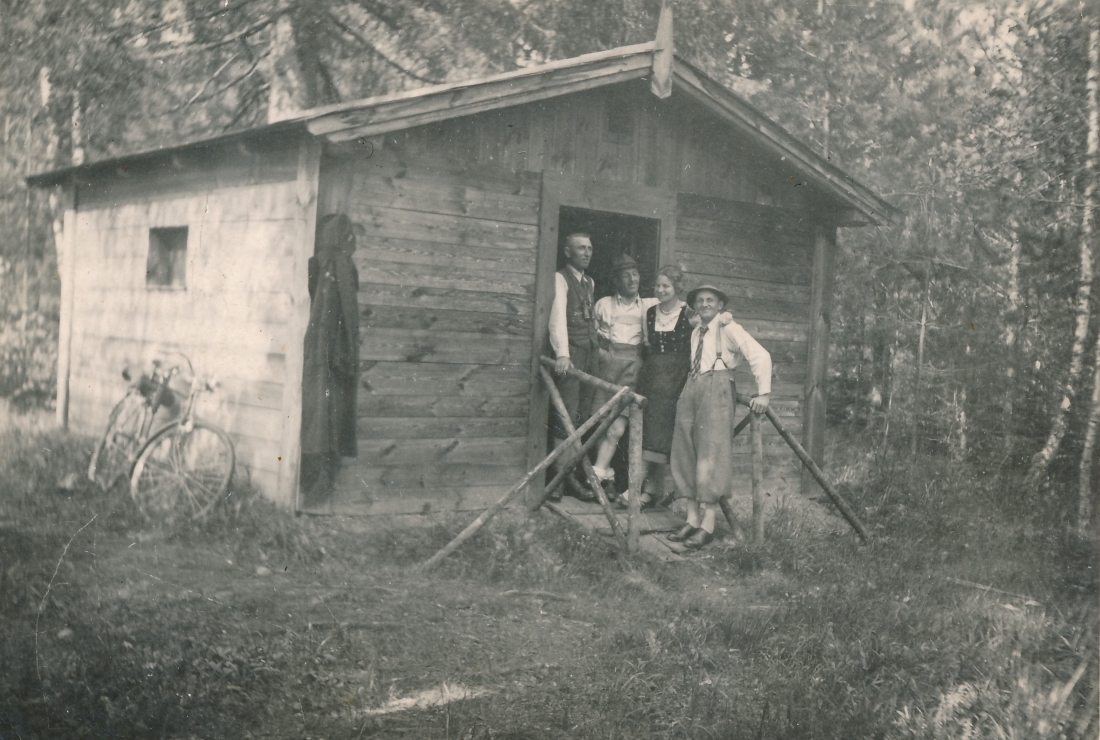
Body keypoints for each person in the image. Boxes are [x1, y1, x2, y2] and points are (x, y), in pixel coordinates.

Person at [668, 285, 772, 549]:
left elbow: (760, 355)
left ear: (720, 305)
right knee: (684, 449)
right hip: (692, 386)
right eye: (700, 300)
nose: (704, 304)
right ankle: (692, 519)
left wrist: (764, 394)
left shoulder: (729, 328)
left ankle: (708, 525)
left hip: (719, 388)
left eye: (710, 300)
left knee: (712, 451)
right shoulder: (696, 332)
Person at [299, 214, 360, 503]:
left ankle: (319, 477)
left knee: (322, 412)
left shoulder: (328, 266)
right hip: (329, 354)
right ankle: (318, 476)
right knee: (323, 414)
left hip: (323, 353)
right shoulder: (335, 268)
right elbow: (345, 316)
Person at [589, 253, 659, 499]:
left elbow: (678, 308)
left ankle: (597, 476)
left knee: (618, 427)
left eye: (635, 274)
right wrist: (604, 356)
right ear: (616, 279)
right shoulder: (604, 304)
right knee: (603, 423)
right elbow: (592, 336)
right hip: (608, 365)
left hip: (634, 368)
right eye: (626, 275)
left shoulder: (650, 305)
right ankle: (605, 477)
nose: (632, 279)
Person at [634, 265, 693, 508]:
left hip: (675, 378)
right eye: (658, 285)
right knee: (649, 430)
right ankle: (649, 490)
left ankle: (639, 491)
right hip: (651, 376)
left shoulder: (688, 312)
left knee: (661, 432)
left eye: (666, 286)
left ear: (677, 287)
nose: (661, 289)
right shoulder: (649, 312)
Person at [548, 232, 600, 500]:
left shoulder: (589, 282)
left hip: (590, 355)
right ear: (567, 252)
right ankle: (558, 479)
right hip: (573, 355)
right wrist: (563, 353)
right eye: (581, 248)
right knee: (565, 415)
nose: (587, 253)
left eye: (589, 248)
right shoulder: (561, 278)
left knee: (581, 417)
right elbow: (558, 317)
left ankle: (572, 478)